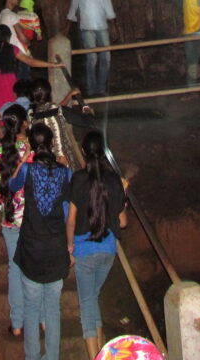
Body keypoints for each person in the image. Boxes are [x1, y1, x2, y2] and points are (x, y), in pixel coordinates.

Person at [8, 123, 73, 360]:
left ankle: (32, 357)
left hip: (32, 248)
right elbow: (68, 211)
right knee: (53, 310)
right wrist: (70, 245)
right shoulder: (65, 173)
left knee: (32, 308)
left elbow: (12, 185)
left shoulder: (28, 170)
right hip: (56, 249)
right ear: (52, 143)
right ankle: (52, 357)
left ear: (33, 146)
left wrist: (25, 159)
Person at [66, 130, 129, 358]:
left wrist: (69, 246)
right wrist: (123, 195)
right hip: (108, 251)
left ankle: (95, 357)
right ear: (104, 152)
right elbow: (122, 222)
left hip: (85, 250)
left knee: (87, 304)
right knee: (92, 299)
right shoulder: (113, 180)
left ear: (83, 151)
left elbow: (71, 219)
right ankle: (104, 353)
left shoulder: (79, 178)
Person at [0, 26, 61, 151]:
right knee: (10, 119)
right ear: (8, 38)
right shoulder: (12, 49)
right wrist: (53, 65)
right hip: (8, 90)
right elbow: (31, 62)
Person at [0, 104, 32, 338]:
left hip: (10, 218)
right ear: (25, 123)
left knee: (15, 269)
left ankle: (16, 324)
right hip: (35, 220)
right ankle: (43, 320)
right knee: (37, 266)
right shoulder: (34, 149)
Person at [64, 0, 117, 97]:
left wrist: (113, 24)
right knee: (91, 58)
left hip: (102, 26)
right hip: (87, 27)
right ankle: (91, 88)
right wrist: (68, 25)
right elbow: (74, 4)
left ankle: (101, 87)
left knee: (106, 57)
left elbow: (107, 3)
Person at [25, 78, 85, 161]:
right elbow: (60, 108)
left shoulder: (30, 114)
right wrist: (70, 95)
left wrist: (69, 95)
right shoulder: (55, 109)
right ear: (49, 94)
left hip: (42, 158)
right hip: (63, 158)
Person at [0, 0, 32, 79]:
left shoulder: (0, 16)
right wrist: (28, 43)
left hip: (6, 56)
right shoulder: (11, 15)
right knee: (22, 84)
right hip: (18, 55)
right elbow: (22, 37)